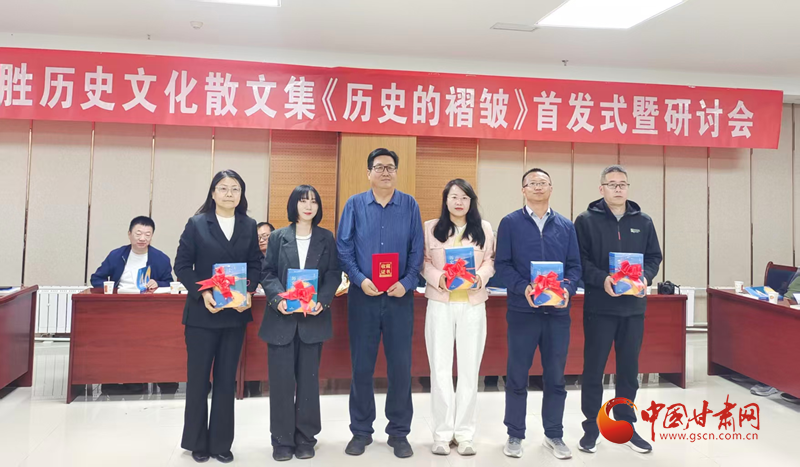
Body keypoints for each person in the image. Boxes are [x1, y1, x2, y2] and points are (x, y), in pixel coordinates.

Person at [337, 148, 424, 459]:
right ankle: (361, 431)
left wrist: (408, 281)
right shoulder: (354, 205)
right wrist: (360, 279)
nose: (385, 172)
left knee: (400, 367)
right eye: (379, 167)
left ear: (396, 173)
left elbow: (417, 249)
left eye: (390, 167)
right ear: (368, 173)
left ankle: (399, 433)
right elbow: (343, 248)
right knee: (361, 366)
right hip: (364, 297)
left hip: (400, 298)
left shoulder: (410, 205)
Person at [175, 170, 262, 464]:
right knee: (199, 380)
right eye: (223, 188)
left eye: (235, 189)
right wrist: (203, 292)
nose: (229, 194)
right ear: (213, 193)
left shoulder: (248, 225)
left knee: (226, 381)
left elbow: (255, 264)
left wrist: (248, 291)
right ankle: (197, 442)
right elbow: (182, 265)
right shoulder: (197, 223)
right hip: (202, 314)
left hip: (234, 315)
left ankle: (221, 443)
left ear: (241, 195)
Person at [574, 165, 662, 455]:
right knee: (593, 369)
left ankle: (626, 424)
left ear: (628, 188)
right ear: (601, 189)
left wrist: (646, 277)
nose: (618, 188)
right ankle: (591, 426)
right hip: (599, 307)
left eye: (622, 184)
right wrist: (602, 279)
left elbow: (654, 257)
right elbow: (580, 261)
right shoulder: (586, 221)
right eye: (611, 184)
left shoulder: (644, 221)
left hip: (633, 309)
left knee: (628, 371)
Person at [495, 168, 581, 460]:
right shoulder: (510, 223)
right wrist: (525, 288)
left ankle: (554, 434)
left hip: (557, 314)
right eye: (532, 183)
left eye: (543, 183)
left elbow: (575, 266)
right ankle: (515, 433)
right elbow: (502, 265)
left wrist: (567, 288)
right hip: (523, 311)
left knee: (556, 377)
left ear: (551, 188)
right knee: (517, 375)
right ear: (523, 190)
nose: (538, 187)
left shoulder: (566, 226)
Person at [259, 185, 341, 461]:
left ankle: (306, 437)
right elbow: (267, 272)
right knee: (281, 383)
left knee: (308, 383)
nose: (308, 206)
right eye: (303, 201)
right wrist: (277, 298)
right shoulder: (278, 237)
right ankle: (282, 440)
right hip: (281, 319)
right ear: (293, 204)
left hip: (312, 321)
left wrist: (323, 300)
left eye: (313, 201)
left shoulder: (326, 238)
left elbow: (333, 274)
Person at [422, 179, 495, 456]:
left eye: (464, 197)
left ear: (471, 201)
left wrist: (480, 277)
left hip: (472, 305)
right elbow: (423, 262)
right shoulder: (431, 228)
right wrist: (438, 278)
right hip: (440, 304)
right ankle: (442, 434)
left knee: (468, 370)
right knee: (440, 369)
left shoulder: (484, 228)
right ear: (446, 200)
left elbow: (490, 261)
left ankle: (464, 434)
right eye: (454, 196)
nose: (459, 202)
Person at [90, 216, 173, 290]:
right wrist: (110, 288)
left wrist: (158, 284)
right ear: (129, 234)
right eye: (138, 234)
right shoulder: (116, 255)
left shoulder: (161, 259)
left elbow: (169, 283)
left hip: (147, 300)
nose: (142, 239)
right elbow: (96, 278)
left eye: (147, 235)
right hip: (119, 298)